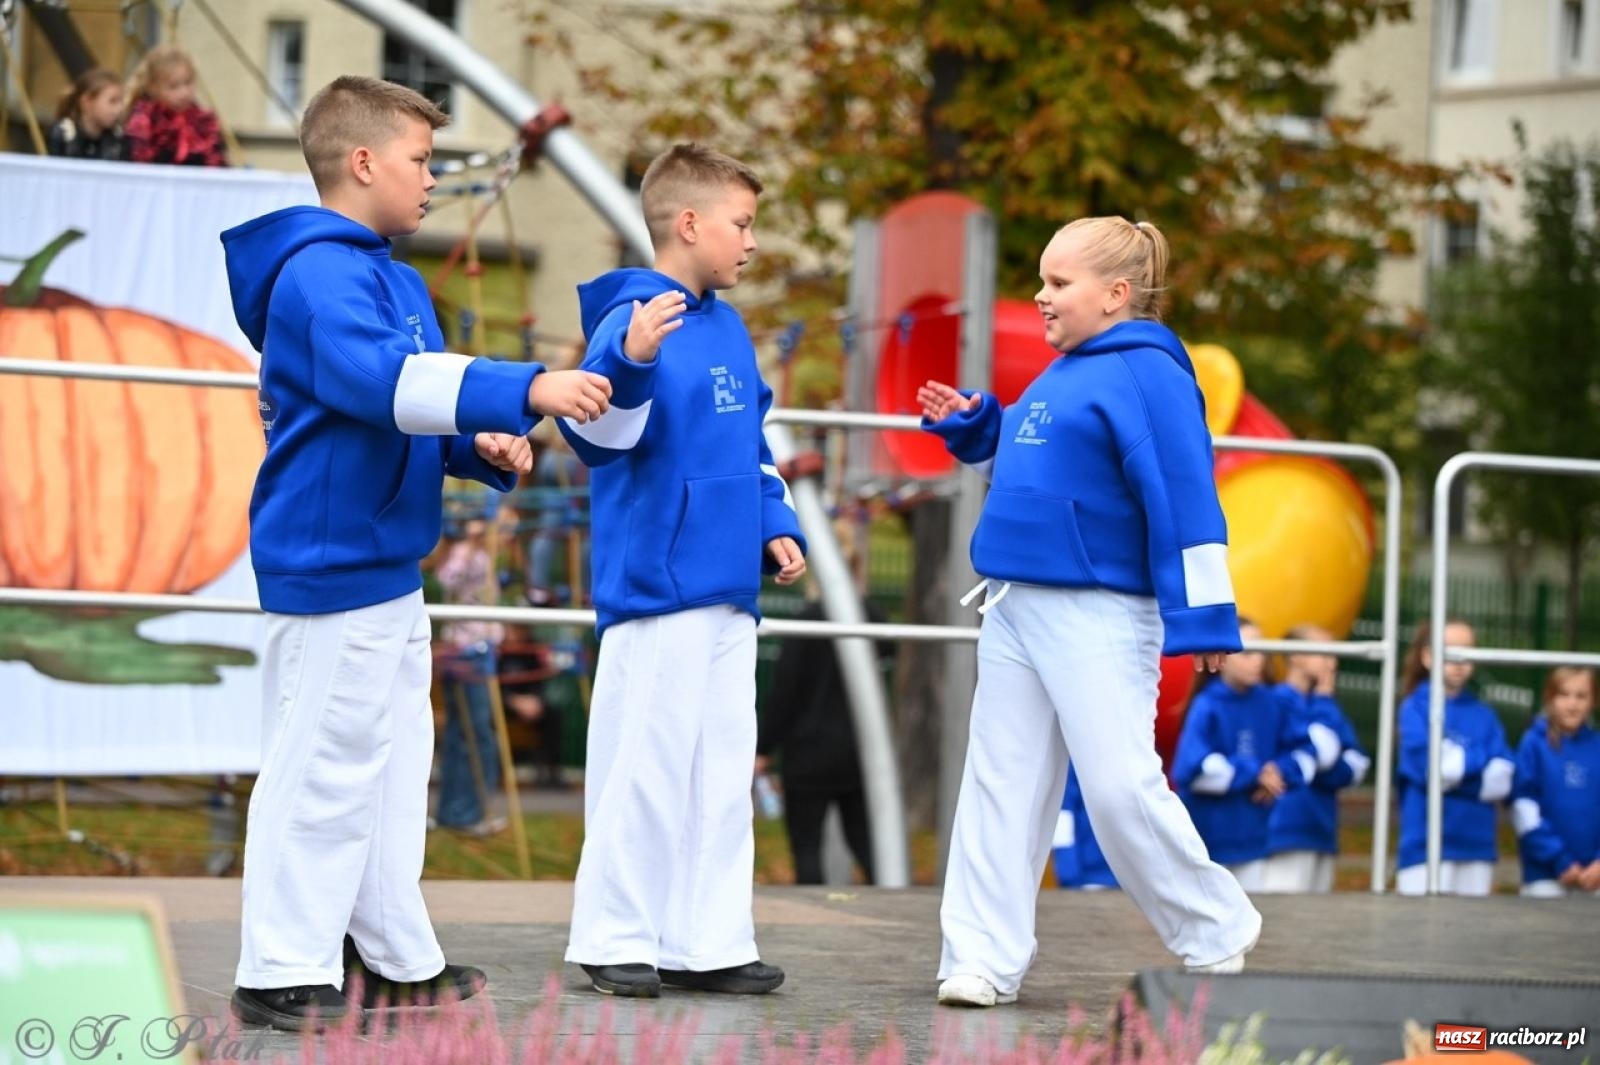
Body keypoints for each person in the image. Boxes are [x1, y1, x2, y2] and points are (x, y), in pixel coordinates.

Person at [220, 74, 611, 1030]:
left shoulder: (391, 276)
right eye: (421, 160)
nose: (433, 178)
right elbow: (378, 382)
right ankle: (280, 966)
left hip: (387, 563)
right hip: (331, 561)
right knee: (324, 763)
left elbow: (410, 408)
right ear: (362, 163)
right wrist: (528, 388)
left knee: (392, 770)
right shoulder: (317, 273)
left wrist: (477, 445)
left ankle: (388, 957)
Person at [920, 216, 1259, 1009]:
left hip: (1101, 613)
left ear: (1115, 294)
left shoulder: (1150, 375)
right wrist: (979, 426)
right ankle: (980, 957)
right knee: (1000, 784)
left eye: (1057, 282)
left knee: (1117, 788)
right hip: (1015, 604)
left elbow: (1186, 498)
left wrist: (1207, 616)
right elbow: (1034, 466)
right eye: (1041, 280)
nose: (1041, 296)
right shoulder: (1063, 371)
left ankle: (1216, 927)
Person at [558, 143, 805, 999]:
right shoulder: (629, 318)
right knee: (645, 763)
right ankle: (613, 934)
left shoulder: (728, 327)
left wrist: (775, 521)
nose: (752, 241)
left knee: (721, 769)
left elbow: (750, 441)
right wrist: (627, 360)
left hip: (730, 586)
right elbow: (594, 437)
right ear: (690, 223)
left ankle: (708, 940)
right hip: (657, 589)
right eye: (743, 223)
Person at [756, 572, 890, 886]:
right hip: (858, 749)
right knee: (866, 843)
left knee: (806, 847)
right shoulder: (871, 617)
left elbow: (785, 692)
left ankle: (811, 903)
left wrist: (764, 748)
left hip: (807, 751)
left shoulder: (807, 621)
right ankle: (892, 899)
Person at [1173, 619, 1317, 892]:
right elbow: (1190, 770)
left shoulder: (1272, 702)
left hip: (1256, 841)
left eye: (1261, 651)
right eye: (1248, 653)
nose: (1258, 660)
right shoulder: (1208, 704)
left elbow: (1305, 754)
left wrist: (1280, 771)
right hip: (1209, 844)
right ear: (1222, 658)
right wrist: (1254, 773)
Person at [1395, 619, 1515, 896]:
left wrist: (1456, 765)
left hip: (1477, 846)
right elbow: (1434, 770)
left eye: (1467, 651)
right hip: (1424, 848)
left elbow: (1503, 779)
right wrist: (1480, 764)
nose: (1460, 661)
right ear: (1427, 656)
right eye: (1450, 651)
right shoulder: (1414, 708)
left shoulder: (1485, 714)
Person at [1262, 623, 1369, 893]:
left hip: (1322, 830)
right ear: (1296, 656)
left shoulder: (1326, 704)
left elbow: (1356, 764)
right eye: (1323, 654)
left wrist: (1318, 766)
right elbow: (1323, 751)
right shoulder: (1276, 701)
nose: (1332, 663)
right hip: (1286, 829)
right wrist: (1319, 760)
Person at [433, 518, 508, 836]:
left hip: (476, 646)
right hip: (467, 649)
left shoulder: (487, 557)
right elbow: (448, 580)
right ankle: (464, 812)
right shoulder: (466, 553)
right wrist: (469, 547)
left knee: (468, 734)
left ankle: (461, 810)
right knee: (472, 735)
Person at [1512, 666, 1600, 896]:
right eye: (1564, 694)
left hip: (1596, 879)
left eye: (1581, 696)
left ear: (1593, 701)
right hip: (1545, 877)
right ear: (1550, 698)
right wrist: (1560, 860)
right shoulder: (1533, 744)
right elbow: (1524, 809)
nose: (1572, 704)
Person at [124, 45, 227, 166]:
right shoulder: (142, 123)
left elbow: (218, 164)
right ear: (153, 88)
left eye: (188, 83)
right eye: (174, 86)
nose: (184, 93)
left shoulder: (204, 123)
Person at [1052, 765, 1118, 890]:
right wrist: (1069, 876)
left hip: (1127, 879)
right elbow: (1064, 816)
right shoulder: (1074, 766)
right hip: (1086, 879)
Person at [47, 68, 126, 160]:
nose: (119, 109)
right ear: (86, 102)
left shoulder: (117, 137)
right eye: (112, 101)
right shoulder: (63, 134)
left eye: (120, 102)